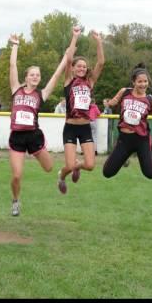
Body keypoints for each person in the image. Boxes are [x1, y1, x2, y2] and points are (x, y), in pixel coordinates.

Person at [7, 32, 77, 216]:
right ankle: (15, 201)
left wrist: (66, 55)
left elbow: (57, 74)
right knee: (16, 175)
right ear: (26, 77)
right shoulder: (16, 89)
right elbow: (12, 65)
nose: (35, 77)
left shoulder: (42, 94)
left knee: (49, 168)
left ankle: (61, 175)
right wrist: (15, 45)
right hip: (17, 137)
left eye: (38, 75)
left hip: (34, 136)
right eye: (32, 74)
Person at [57, 27, 105, 194]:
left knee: (90, 165)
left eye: (84, 67)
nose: (82, 68)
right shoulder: (69, 81)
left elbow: (101, 63)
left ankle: (78, 167)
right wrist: (75, 37)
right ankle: (62, 176)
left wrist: (99, 41)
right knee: (68, 166)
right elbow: (69, 58)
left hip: (85, 127)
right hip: (70, 127)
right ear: (73, 68)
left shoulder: (89, 82)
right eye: (79, 66)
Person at [102, 63, 152, 181]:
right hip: (124, 138)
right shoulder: (125, 92)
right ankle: (124, 158)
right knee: (107, 172)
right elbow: (113, 101)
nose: (143, 84)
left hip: (142, 139)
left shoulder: (150, 100)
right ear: (133, 82)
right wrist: (111, 103)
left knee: (150, 174)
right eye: (140, 81)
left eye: (145, 81)